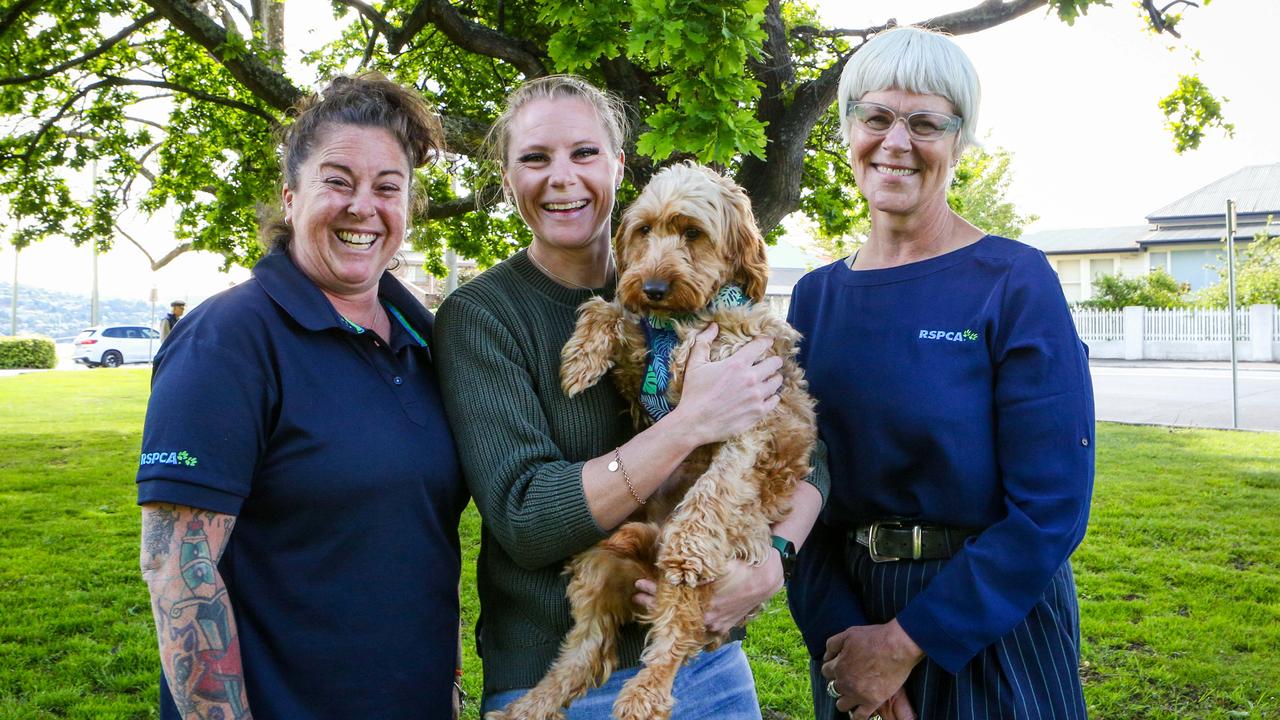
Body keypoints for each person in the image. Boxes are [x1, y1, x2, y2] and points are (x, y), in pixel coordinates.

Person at [433, 74, 827, 718]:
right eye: (535, 158)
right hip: (561, 680)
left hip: (711, 664)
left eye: (583, 153)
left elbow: (810, 447)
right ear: (507, 179)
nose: (562, 177)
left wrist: (773, 561)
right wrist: (693, 421)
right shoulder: (481, 316)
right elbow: (526, 518)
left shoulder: (699, 295)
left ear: (618, 166)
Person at [786, 27, 1095, 720]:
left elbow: (1052, 506)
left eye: (925, 122)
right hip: (853, 626)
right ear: (848, 130)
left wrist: (908, 641)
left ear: (959, 142)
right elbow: (789, 485)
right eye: (876, 117)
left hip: (990, 625)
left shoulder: (1013, 281)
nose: (897, 142)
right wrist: (850, 646)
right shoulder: (814, 299)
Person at [136, 72, 468, 719]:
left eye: (387, 188)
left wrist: (449, 687)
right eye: (337, 180)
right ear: (291, 197)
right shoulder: (229, 339)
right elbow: (179, 575)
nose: (361, 206)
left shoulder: (429, 342)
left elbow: (425, 538)